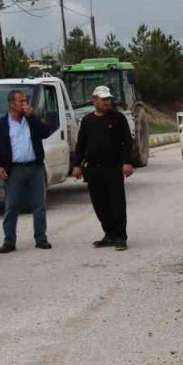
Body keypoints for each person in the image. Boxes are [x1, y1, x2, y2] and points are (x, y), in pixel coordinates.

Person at [0, 90, 55, 254]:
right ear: (11, 103)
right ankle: (9, 240)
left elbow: (46, 132)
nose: (25, 104)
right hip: (14, 169)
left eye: (25, 101)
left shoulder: (31, 120)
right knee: (12, 205)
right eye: (21, 101)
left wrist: (32, 117)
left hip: (35, 167)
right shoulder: (1, 124)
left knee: (39, 205)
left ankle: (41, 238)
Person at [71, 86, 134, 251]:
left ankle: (120, 236)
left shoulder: (118, 118)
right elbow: (81, 144)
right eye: (104, 99)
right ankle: (109, 234)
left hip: (113, 168)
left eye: (109, 99)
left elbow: (127, 141)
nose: (107, 102)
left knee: (116, 203)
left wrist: (127, 162)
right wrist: (76, 165)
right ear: (95, 100)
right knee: (99, 204)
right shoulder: (87, 121)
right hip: (93, 170)